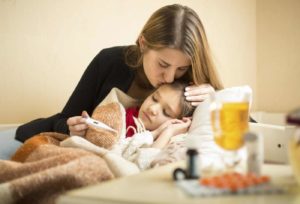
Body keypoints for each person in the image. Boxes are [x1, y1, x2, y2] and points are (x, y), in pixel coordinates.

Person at [15, 4, 223, 142]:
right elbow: (65, 118)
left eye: (181, 69)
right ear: (143, 44)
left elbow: (246, 128)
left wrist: (217, 102)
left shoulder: (193, 84)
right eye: (162, 64)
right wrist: (71, 128)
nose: (169, 78)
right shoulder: (109, 61)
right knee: (26, 134)